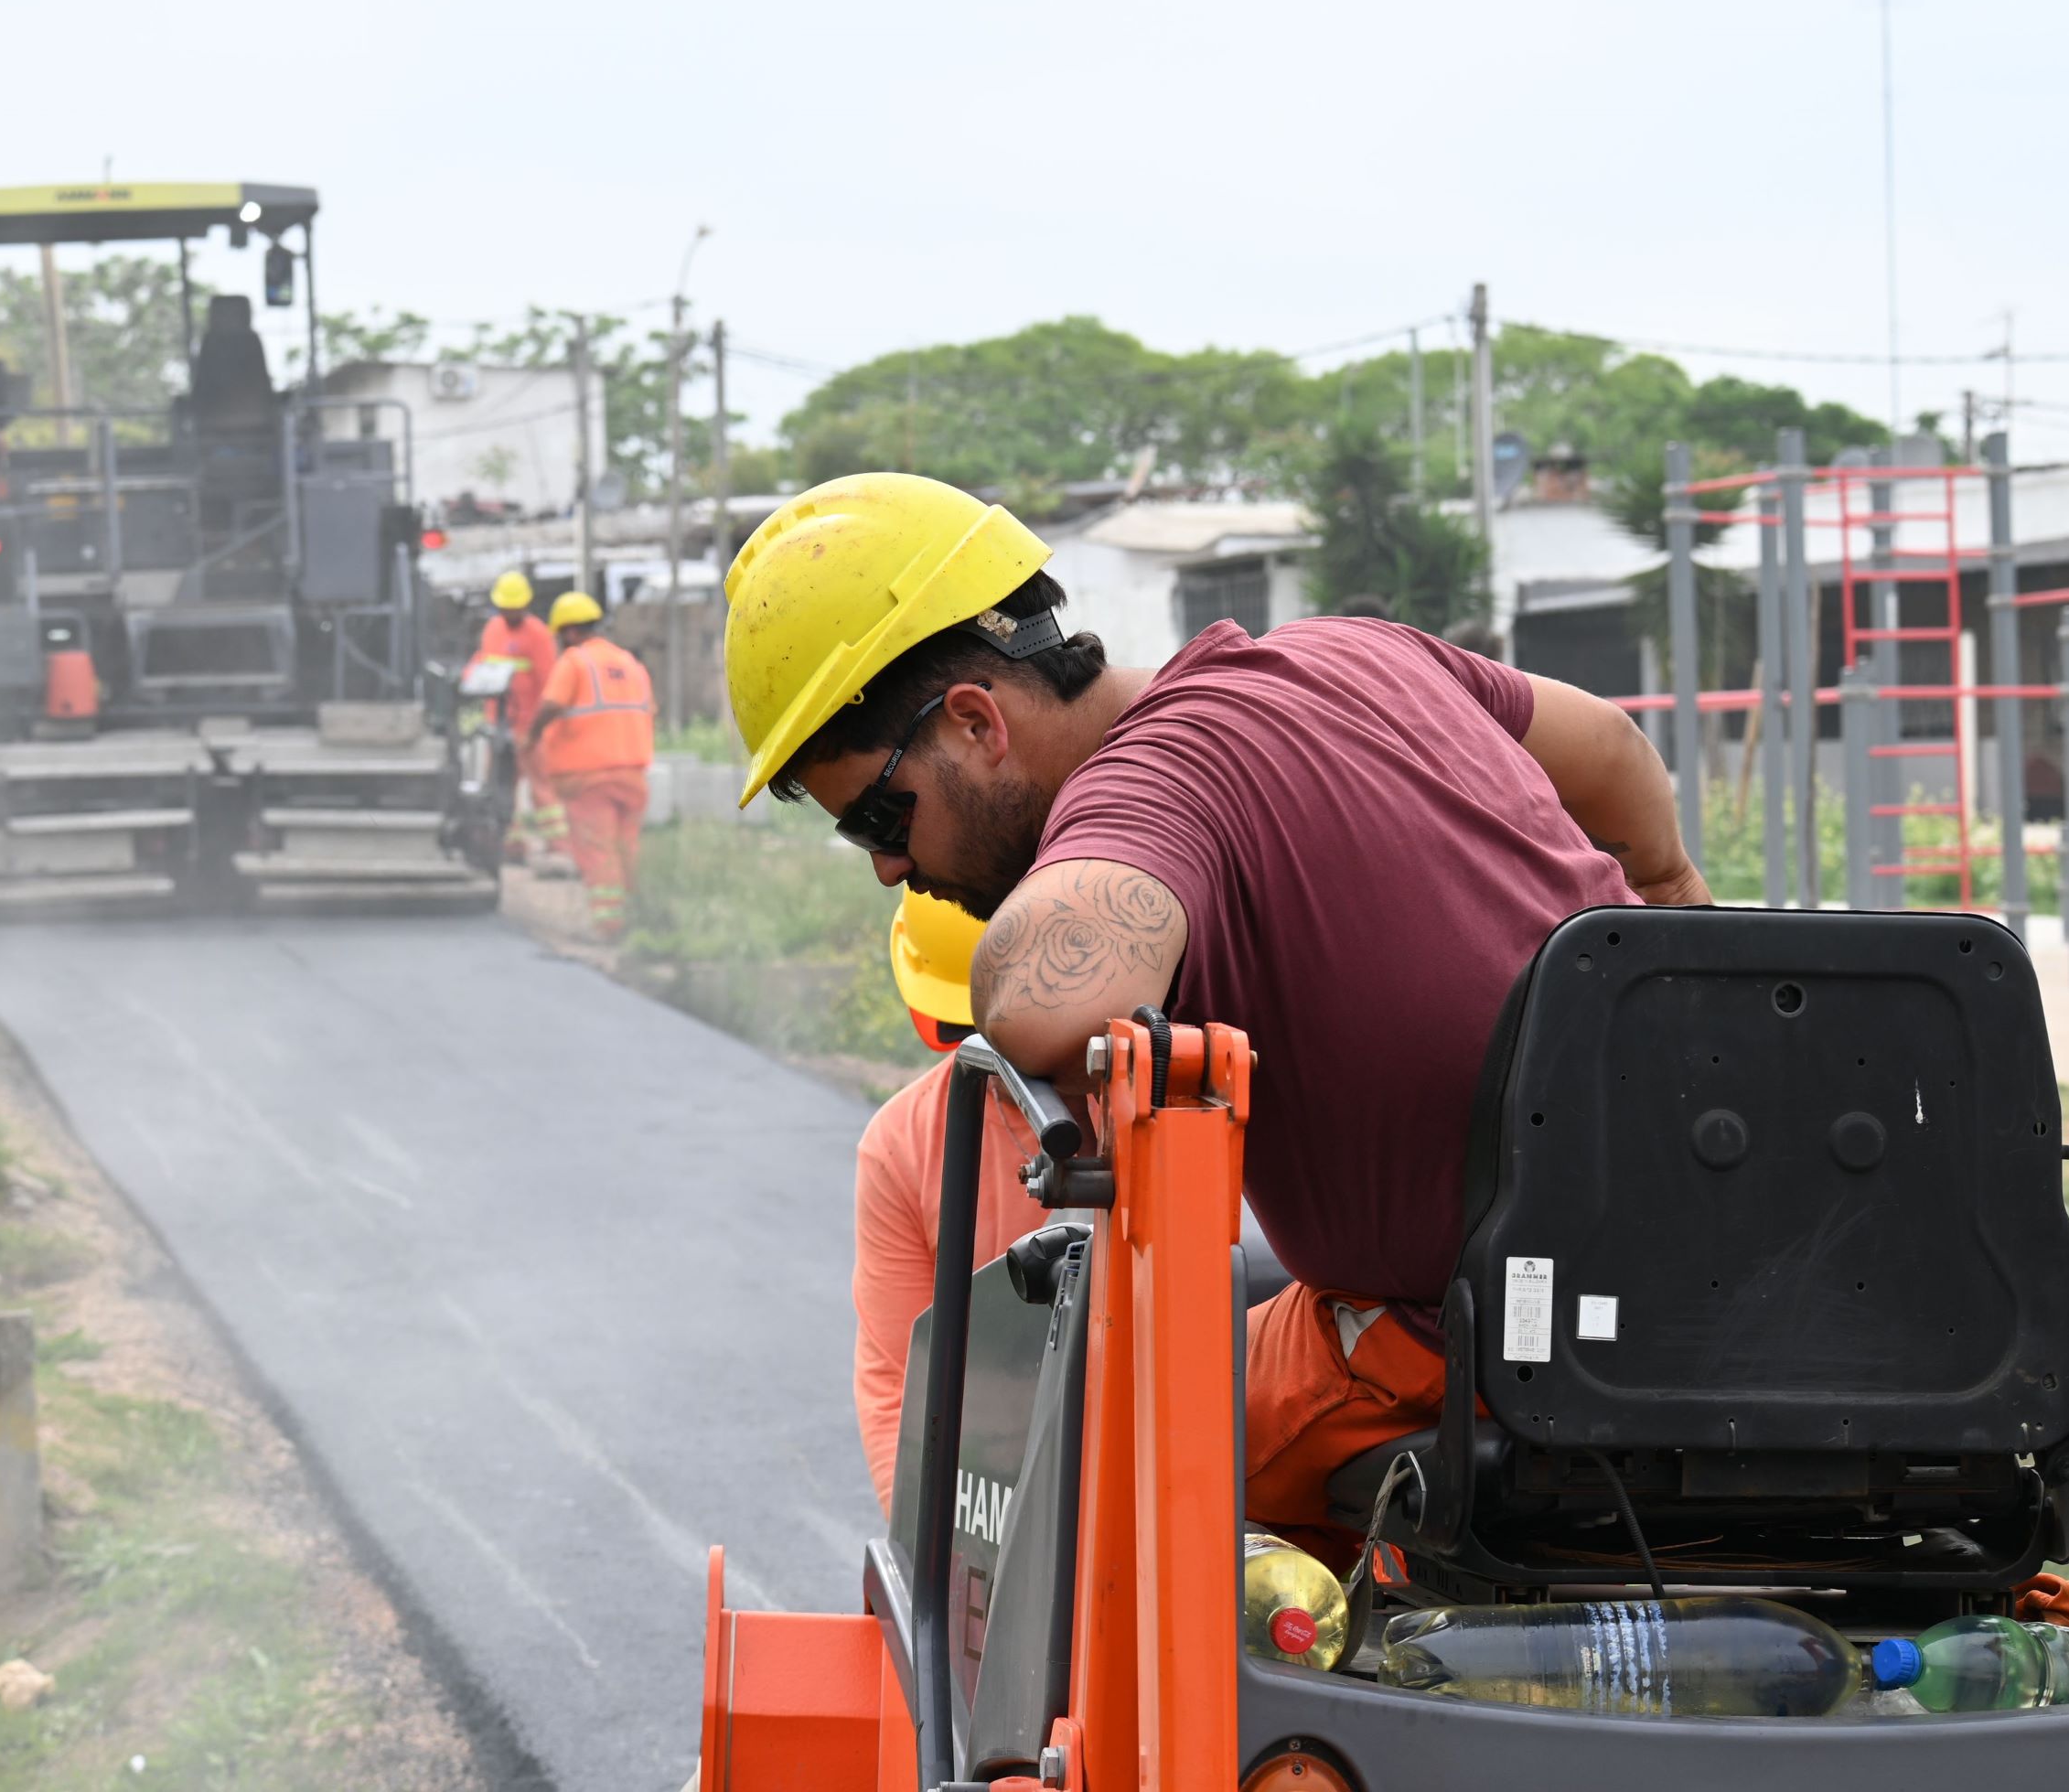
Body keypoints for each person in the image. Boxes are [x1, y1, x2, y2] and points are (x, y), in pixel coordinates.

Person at [724, 472, 1705, 1565]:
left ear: (975, 722)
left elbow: (1054, 993)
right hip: (1721, 1259)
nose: (888, 868)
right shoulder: (1358, 653)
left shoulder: (1143, 788)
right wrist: (1680, 921)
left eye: (879, 814)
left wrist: (1008, 984)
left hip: (1468, 1335)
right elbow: (1612, 748)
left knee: (1062, 1466)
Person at [852, 890, 1049, 1513]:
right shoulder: (903, 1147)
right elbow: (899, 1379)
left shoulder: (1166, 1106)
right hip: (997, 1488)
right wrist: (918, 1549)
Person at [528, 591, 655, 940]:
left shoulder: (574, 662)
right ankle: (638, 921)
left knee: (597, 850)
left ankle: (608, 925)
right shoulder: (630, 664)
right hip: (633, 774)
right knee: (627, 848)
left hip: (588, 777)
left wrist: (533, 734)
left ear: (568, 632)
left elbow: (552, 704)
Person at [462, 570, 559, 852]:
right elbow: (482, 662)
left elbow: (549, 683)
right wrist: (469, 678)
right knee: (502, 786)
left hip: (529, 727)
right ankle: (511, 842)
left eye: (514, 608)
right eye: (506, 608)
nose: (510, 613)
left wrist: (537, 728)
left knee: (542, 787)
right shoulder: (493, 630)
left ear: (525, 606)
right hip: (498, 725)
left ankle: (557, 843)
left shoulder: (538, 635)